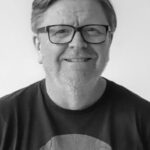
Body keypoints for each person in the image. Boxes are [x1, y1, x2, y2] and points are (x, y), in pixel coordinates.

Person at [0, 0, 150, 149]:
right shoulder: (3, 119)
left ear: (109, 41)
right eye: (61, 31)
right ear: (38, 45)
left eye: (92, 30)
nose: (77, 43)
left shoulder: (145, 121)